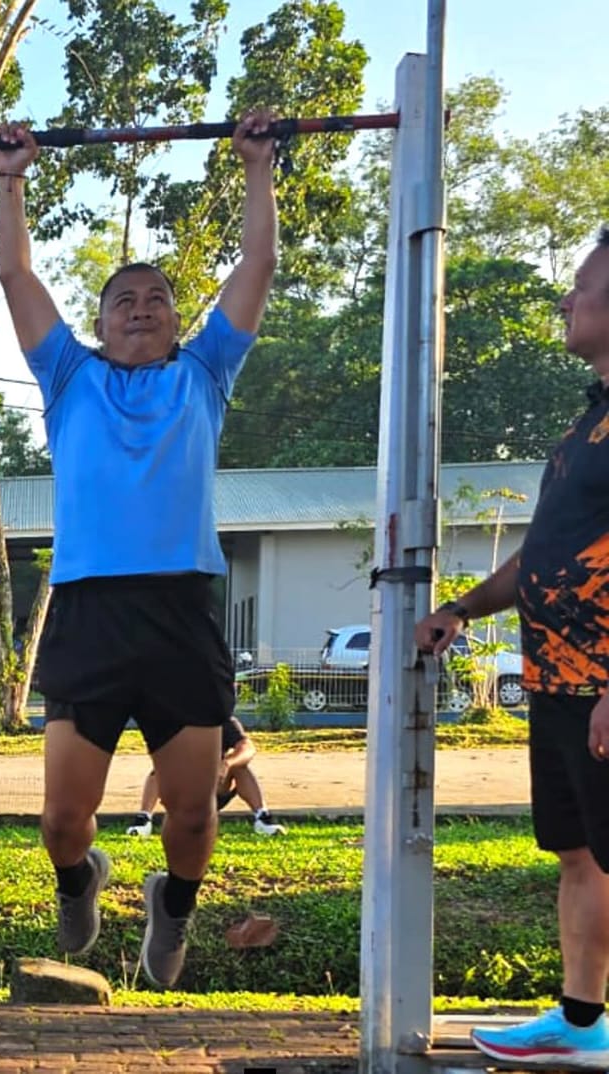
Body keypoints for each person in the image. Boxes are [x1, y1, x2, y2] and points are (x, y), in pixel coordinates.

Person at [0, 110, 278, 988]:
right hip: (90, 609)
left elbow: (257, 265)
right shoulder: (68, 377)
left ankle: (174, 904)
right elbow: (14, 273)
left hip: (180, 607)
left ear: (176, 320)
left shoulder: (204, 373)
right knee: (60, 822)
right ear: (103, 322)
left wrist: (258, 167)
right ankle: (81, 881)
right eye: (125, 300)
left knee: (193, 815)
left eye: (157, 299)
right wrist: (10, 178)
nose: (142, 309)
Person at [417, 229, 609, 1068]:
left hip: (603, 683)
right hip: (559, 682)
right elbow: (541, 554)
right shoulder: (585, 428)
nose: (566, 301)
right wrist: (461, 607)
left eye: (581, 286)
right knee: (580, 853)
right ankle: (580, 1022)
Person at [126, 716, 286, 837]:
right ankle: (143, 819)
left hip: (217, 786)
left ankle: (263, 817)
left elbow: (247, 748)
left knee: (240, 766)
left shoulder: (223, 719)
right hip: (186, 790)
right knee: (160, 768)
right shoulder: (175, 721)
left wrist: (227, 764)